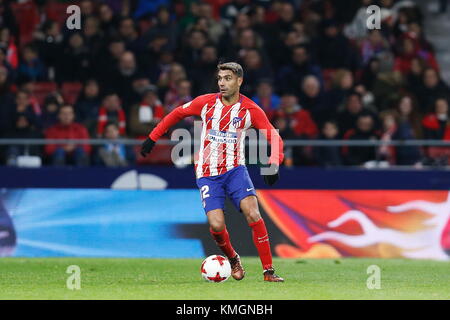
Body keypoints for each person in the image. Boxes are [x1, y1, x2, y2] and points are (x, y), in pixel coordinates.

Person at [140, 62, 285, 282]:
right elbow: (177, 114)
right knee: (216, 225)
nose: (222, 83)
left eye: (227, 78)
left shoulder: (251, 110)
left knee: (253, 214)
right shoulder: (205, 102)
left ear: (239, 81)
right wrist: (153, 137)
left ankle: (268, 271)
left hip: (236, 170)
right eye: (219, 78)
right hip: (207, 172)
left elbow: (273, 137)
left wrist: (274, 162)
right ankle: (233, 259)